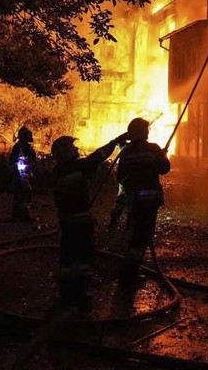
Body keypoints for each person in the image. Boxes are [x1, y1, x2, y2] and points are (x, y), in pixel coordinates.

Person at [50, 132, 126, 309]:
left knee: (68, 257)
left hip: (67, 223)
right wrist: (115, 141)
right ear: (65, 153)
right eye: (72, 147)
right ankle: (79, 294)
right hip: (79, 222)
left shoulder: (59, 171)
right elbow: (97, 157)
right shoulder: (74, 168)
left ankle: (66, 294)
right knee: (82, 258)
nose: (76, 149)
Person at [114, 118, 171, 292]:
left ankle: (130, 273)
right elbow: (164, 168)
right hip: (149, 203)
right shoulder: (152, 148)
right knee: (140, 239)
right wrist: (162, 155)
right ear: (144, 132)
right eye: (146, 130)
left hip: (134, 203)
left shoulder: (125, 153)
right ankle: (129, 276)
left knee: (136, 236)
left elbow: (120, 177)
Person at [9, 127, 37, 221]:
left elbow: (32, 161)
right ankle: (17, 216)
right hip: (19, 175)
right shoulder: (17, 148)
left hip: (27, 174)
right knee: (19, 195)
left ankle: (25, 215)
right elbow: (13, 161)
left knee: (27, 195)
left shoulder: (29, 149)